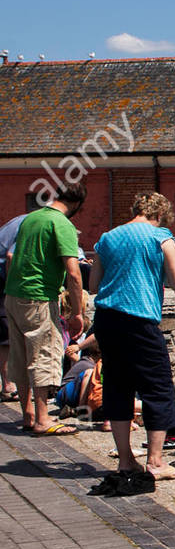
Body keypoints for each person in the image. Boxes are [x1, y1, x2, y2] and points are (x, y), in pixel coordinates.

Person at [88, 192, 175, 490]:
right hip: (140, 321)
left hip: (106, 321)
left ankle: (125, 460)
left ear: (135, 210)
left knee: (117, 386)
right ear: (160, 214)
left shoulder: (106, 238)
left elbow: (94, 285)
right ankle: (156, 462)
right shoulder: (161, 236)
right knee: (157, 388)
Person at [4, 183, 86, 435]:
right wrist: (77, 313)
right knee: (43, 356)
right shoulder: (62, 224)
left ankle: (27, 414)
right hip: (40, 297)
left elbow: (10, 256)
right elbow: (73, 274)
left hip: (13, 295)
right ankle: (42, 419)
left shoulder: (31, 219)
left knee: (20, 356)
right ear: (77, 205)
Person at [0, 212, 29, 400]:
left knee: (4, 332)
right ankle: (9, 386)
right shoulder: (30, 225)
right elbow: (11, 255)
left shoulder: (17, 220)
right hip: (3, 278)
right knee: (6, 334)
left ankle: (8, 385)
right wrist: (14, 287)